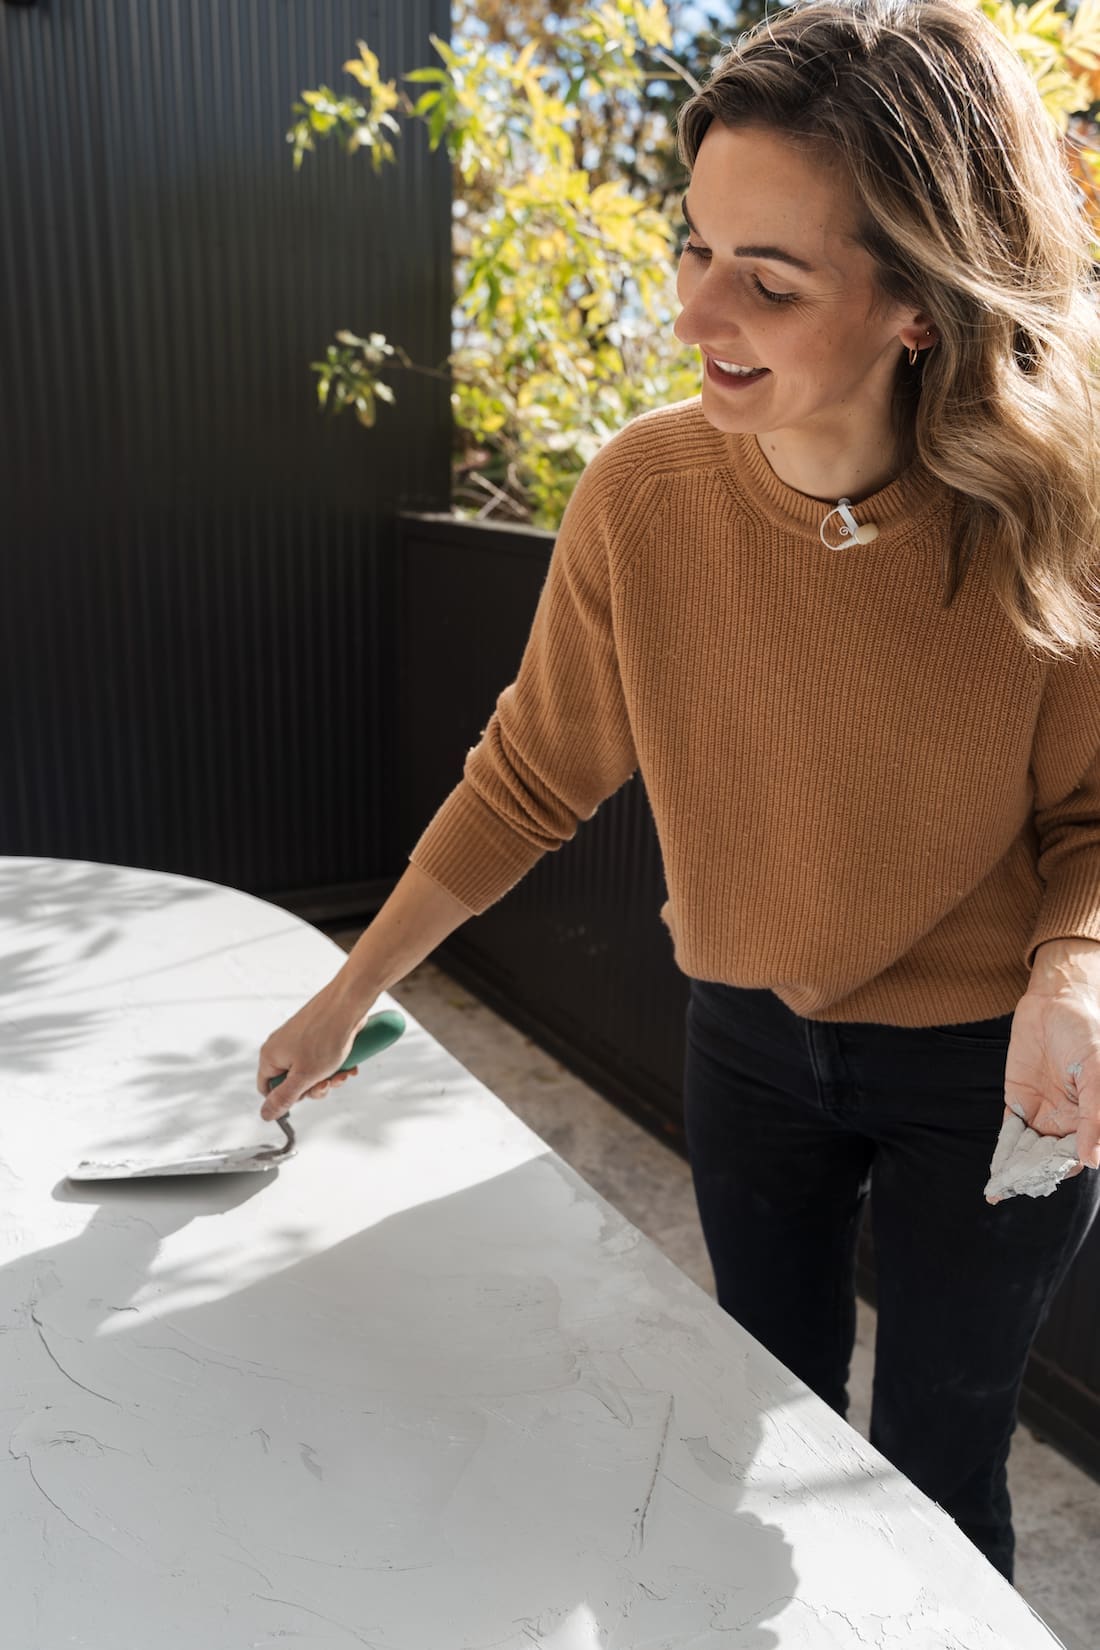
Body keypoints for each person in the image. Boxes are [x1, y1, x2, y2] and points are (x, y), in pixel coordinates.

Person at [256, 0, 1100, 1580]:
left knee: (935, 1469)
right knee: (740, 1416)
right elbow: (528, 775)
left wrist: (1077, 963)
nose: (697, 308)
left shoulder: (1053, 515)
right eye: (693, 244)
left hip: (990, 1072)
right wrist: (344, 991)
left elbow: (1095, 824)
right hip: (750, 1040)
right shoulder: (645, 495)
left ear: (918, 305)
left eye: (768, 278)